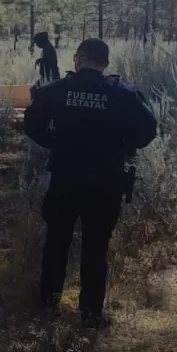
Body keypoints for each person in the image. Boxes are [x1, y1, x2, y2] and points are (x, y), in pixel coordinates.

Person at [23, 38, 157, 329]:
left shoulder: (58, 90)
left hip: (65, 179)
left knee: (57, 241)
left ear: (80, 58)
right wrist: (123, 144)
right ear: (105, 63)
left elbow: (31, 122)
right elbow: (148, 130)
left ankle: (48, 303)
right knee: (96, 247)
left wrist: (54, 142)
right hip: (105, 181)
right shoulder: (122, 94)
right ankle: (91, 313)